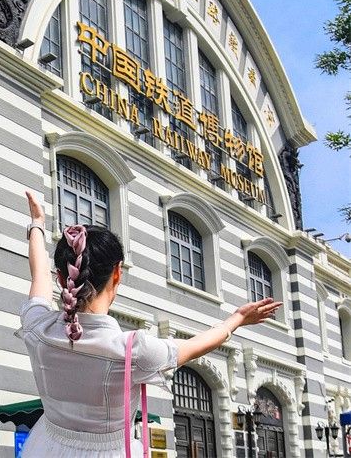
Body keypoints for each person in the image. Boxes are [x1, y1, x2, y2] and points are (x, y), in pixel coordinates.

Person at [18, 191, 282, 457]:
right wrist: (237, 319)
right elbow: (198, 344)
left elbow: (39, 276)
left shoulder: (39, 327)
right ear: (117, 273)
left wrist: (37, 224)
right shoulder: (133, 350)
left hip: (46, 446)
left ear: (62, 278)